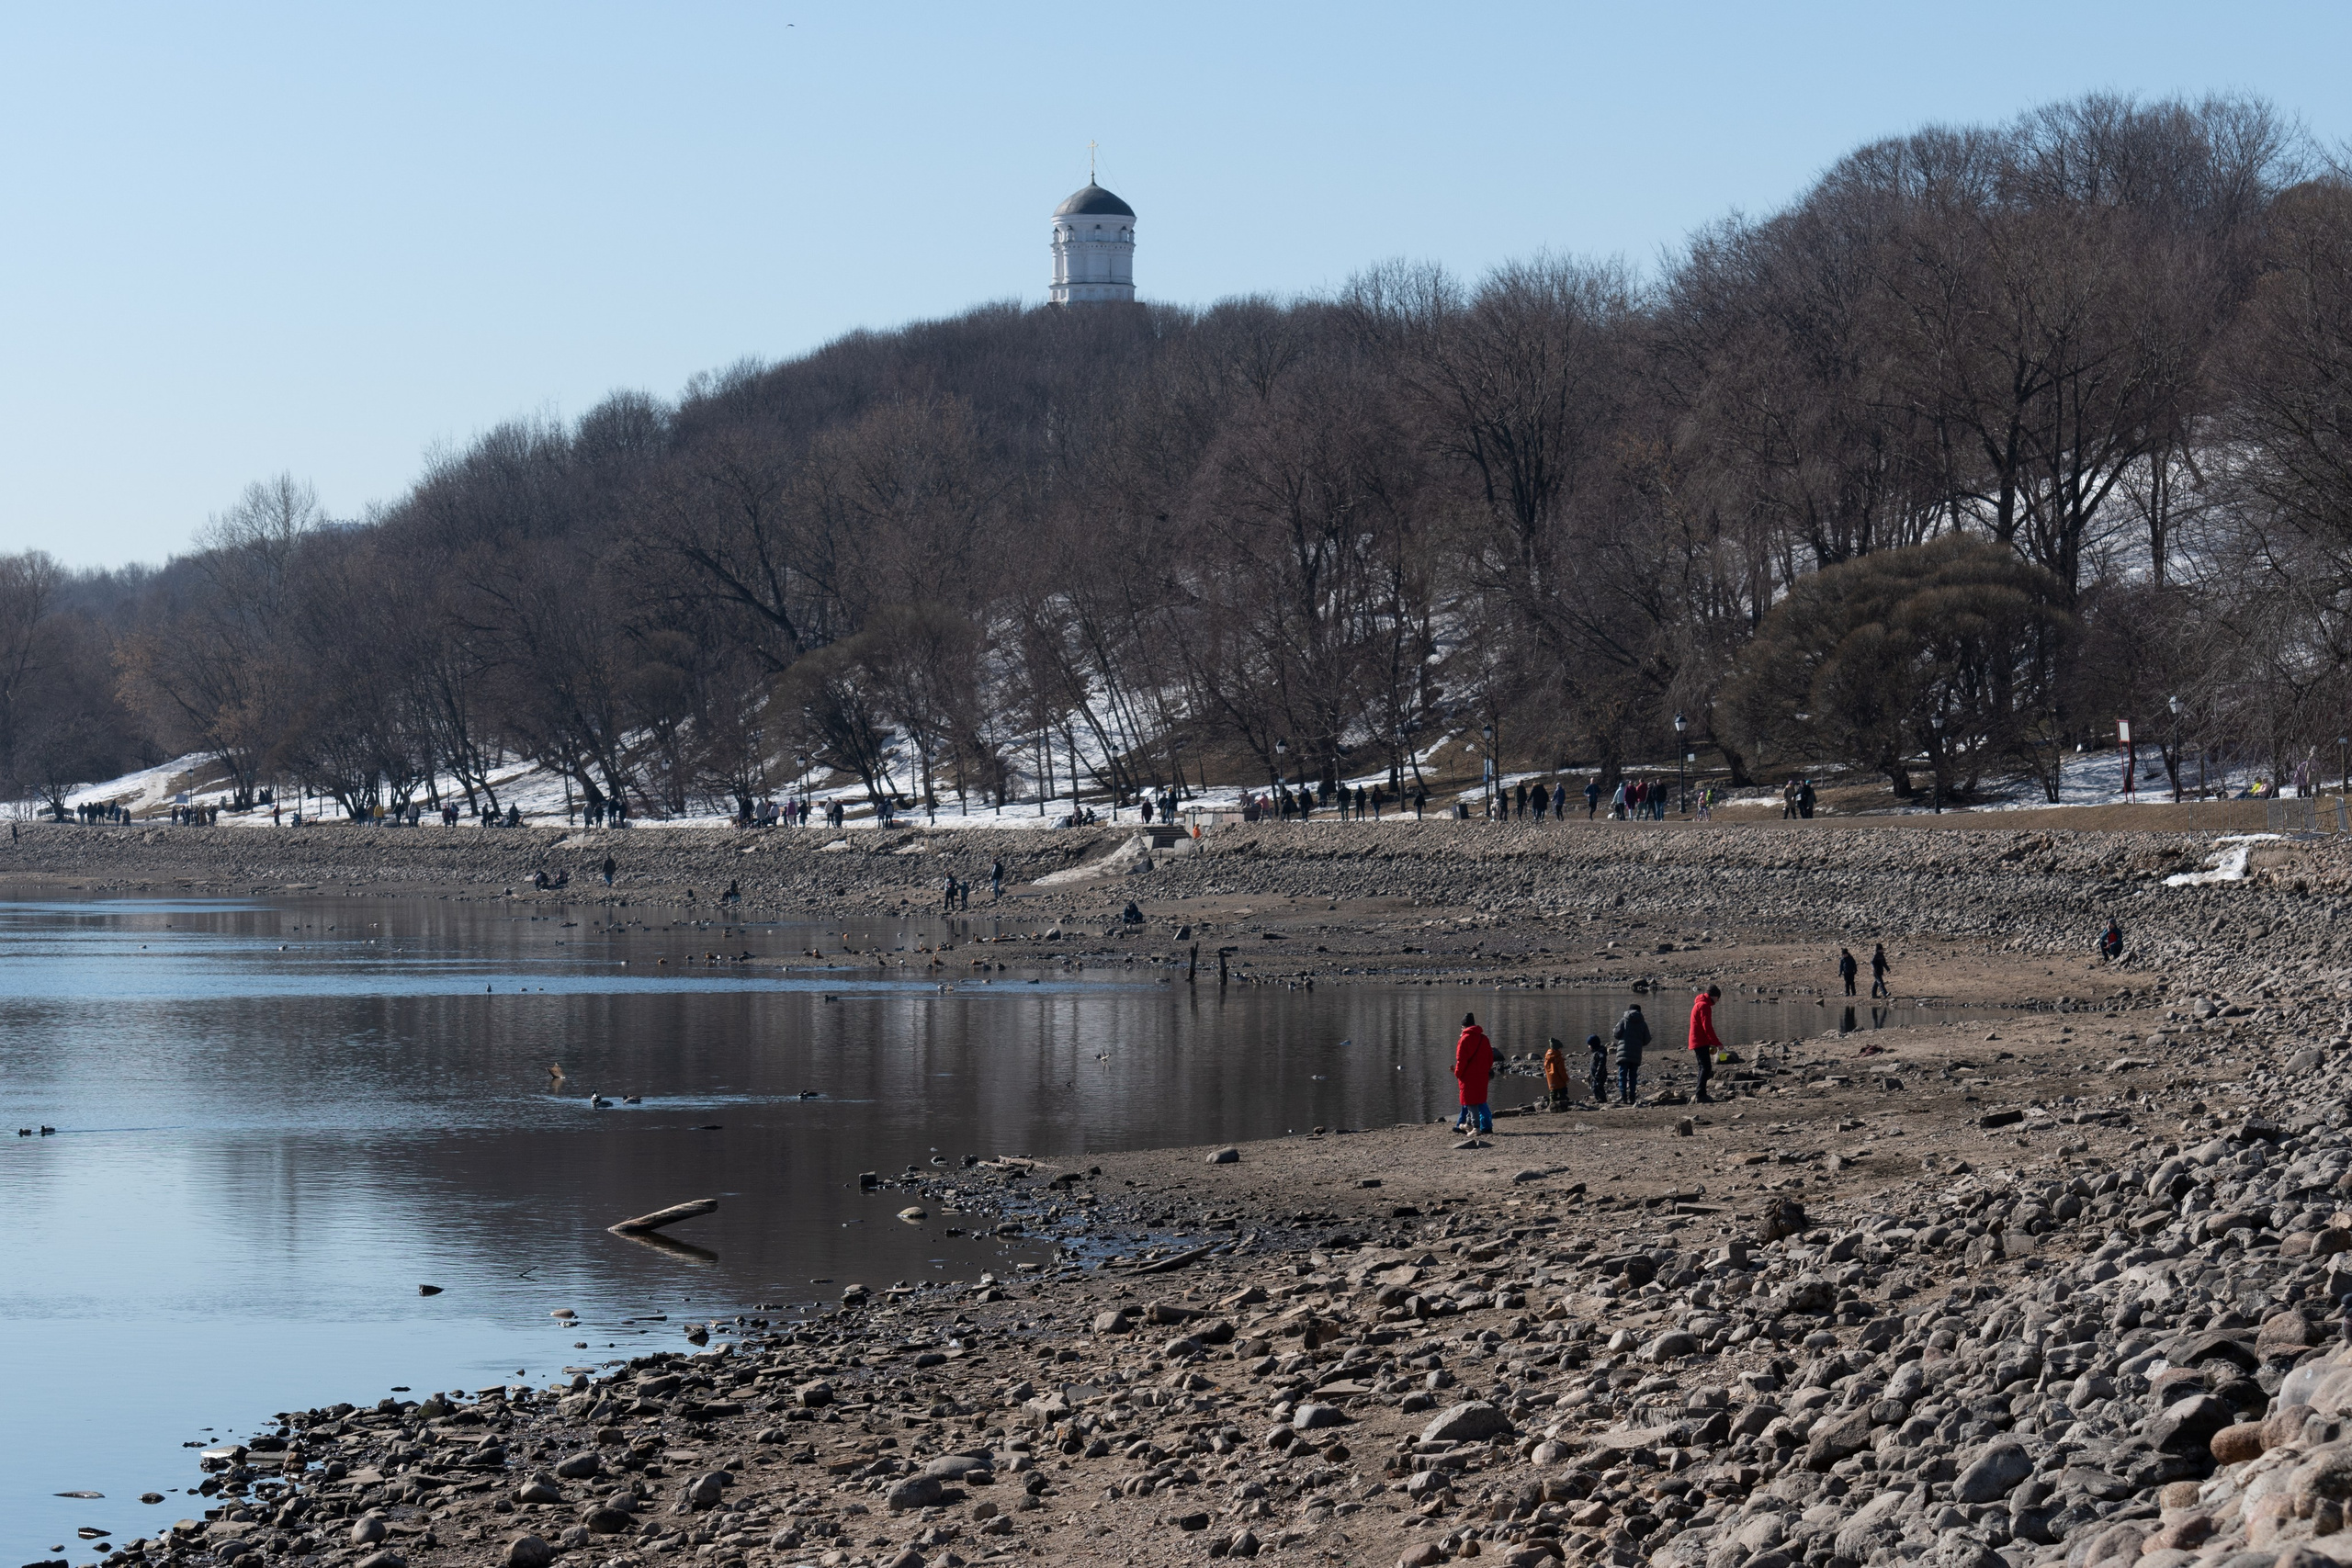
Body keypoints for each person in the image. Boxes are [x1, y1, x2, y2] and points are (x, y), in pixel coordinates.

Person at [1453, 1013, 1494, 1135]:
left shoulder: (1464, 1040)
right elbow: (1490, 1058)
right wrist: (1484, 1070)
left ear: (1463, 1027)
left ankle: (1476, 1128)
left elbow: (1461, 1060)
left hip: (1468, 1076)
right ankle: (1470, 1124)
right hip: (1482, 1076)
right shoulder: (1484, 1038)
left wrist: (1457, 1073)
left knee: (1470, 1102)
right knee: (1480, 1100)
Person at [1688, 984, 1722, 1102]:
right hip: (1700, 1041)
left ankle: (1699, 1093)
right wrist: (1717, 1042)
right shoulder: (1704, 1006)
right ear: (1714, 996)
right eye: (1718, 998)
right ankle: (1700, 1094)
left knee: (1703, 1067)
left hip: (1698, 1040)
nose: (1718, 1001)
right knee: (1706, 1067)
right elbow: (1707, 1027)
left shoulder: (1700, 1004)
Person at [1611, 1003, 1649, 1104]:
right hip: (1636, 1053)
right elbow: (1647, 1039)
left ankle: (1623, 1096)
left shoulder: (1624, 1020)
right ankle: (1632, 1097)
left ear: (1629, 1011)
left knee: (1622, 1075)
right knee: (1633, 1076)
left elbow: (1616, 1033)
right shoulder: (1643, 1023)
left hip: (1623, 1052)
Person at [1544, 1036, 1570, 1111]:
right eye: (1560, 1048)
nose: (1561, 1050)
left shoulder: (1547, 1057)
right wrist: (1566, 1079)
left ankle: (1551, 1107)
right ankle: (1563, 1107)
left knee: (1553, 1095)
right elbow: (1562, 1071)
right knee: (1563, 1094)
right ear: (1558, 1048)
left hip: (1551, 1080)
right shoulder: (1558, 1058)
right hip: (1559, 1081)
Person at [1586, 1032, 1607, 1103]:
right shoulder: (1595, 1053)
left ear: (1593, 1045)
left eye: (1589, 1045)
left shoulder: (1599, 1053)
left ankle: (1602, 1099)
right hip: (1595, 1074)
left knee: (1595, 1088)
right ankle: (1600, 1098)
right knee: (1598, 1087)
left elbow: (1602, 1063)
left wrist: (1598, 1073)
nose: (1588, 1047)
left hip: (1599, 1074)